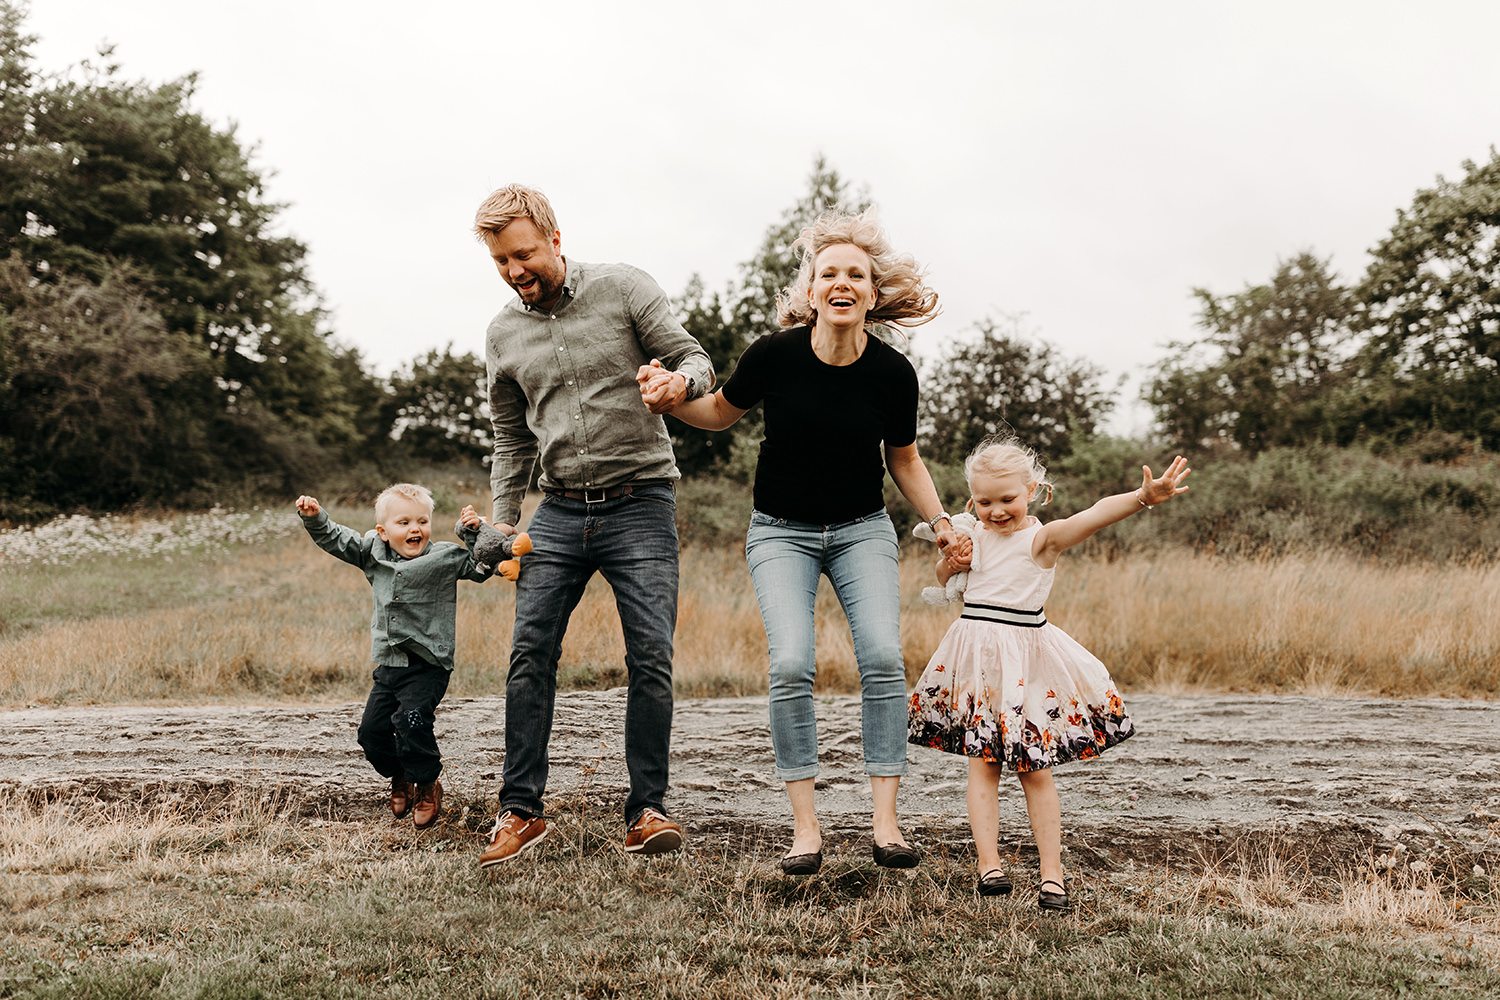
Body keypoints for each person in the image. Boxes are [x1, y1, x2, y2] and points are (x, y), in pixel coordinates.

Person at [654, 207, 960, 875]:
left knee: (881, 656)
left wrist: (941, 524)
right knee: (791, 663)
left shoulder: (893, 373)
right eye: (829, 273)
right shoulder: (774, 355)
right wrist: (669, 395)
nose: (842, 282)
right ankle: (805, 831)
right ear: (811, 290)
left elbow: (903, 458)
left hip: (861, 531)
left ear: (872, 294)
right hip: (780, 535)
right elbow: (716, 413)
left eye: (856, 273)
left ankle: (885, 825)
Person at [470, 184, 716, 867]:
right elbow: (509, 438)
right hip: (557, 511)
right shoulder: (502, 334)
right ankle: (519, 810)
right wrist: (501, 521)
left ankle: (646, 811)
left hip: (641, 503)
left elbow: (696, 358)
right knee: (528, 656)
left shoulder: (624, 288)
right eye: (500, 261)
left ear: (553, 238)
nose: (516, 270)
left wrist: (680, 387)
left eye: (523, 254)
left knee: (650, 657)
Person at [906, 439, 1191, 910]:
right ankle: (989, 866)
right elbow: (946, 580)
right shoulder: (970, 534)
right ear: (972, 499)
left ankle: (1051, 875)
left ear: (1032, 491)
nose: (996, 511)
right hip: (979, 666)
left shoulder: (1040, 540)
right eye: (984, 502)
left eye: (1007, 500)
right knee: (983, 766)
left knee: (1034, 771)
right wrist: (949, 561)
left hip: (1025, 666)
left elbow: (1093, 515)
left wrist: (1143, 498)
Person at [295, 485, 494, 829]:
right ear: (384, 532)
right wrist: (315, 518)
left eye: (422, 521)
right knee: (371, 733)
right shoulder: (373, 552)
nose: (415, 529)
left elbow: (481, 567)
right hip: (389, 662)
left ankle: (428, 783)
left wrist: (476, 533)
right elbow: (338, 540)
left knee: (411, 719)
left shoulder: (445, 556)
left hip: (429, 663)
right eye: (404, 522)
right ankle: (399, 772)